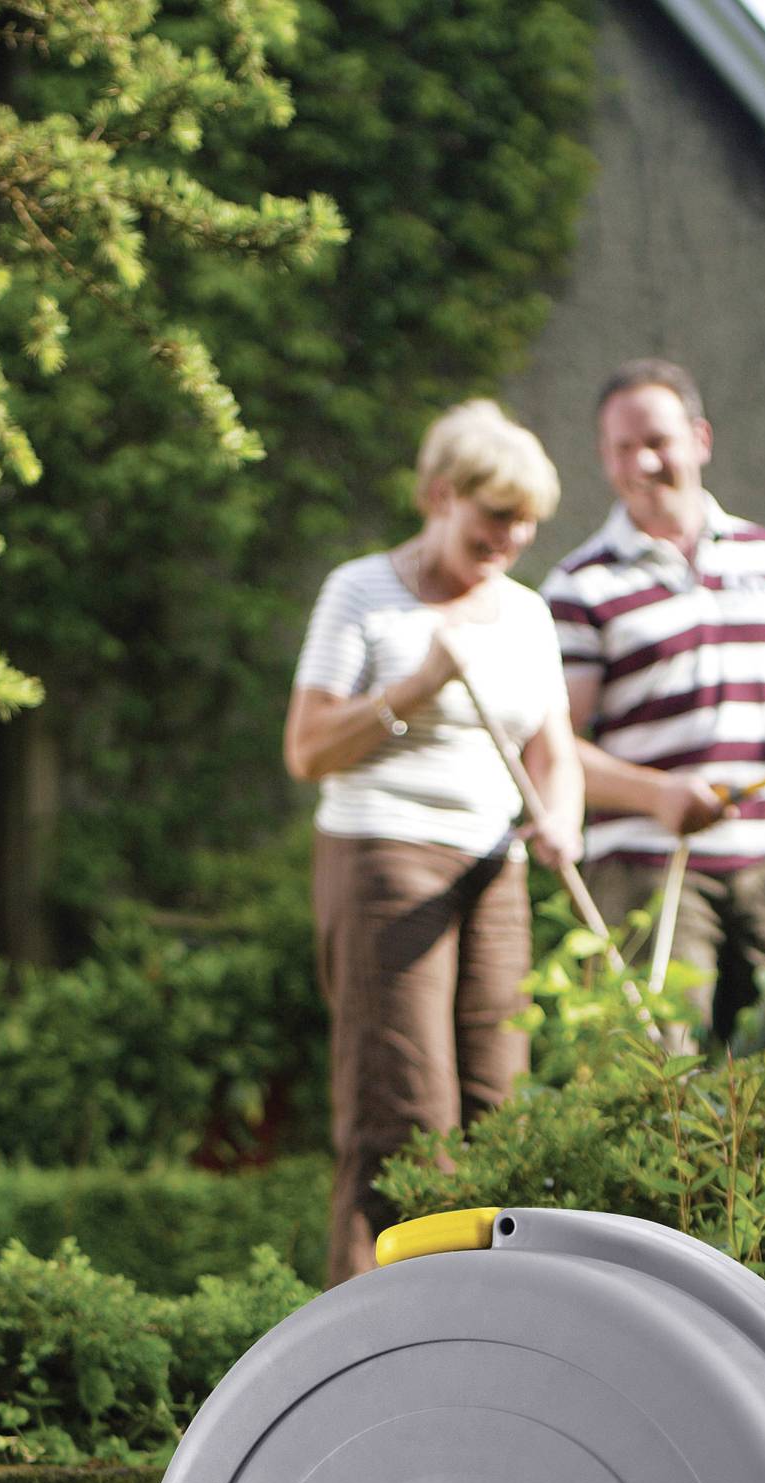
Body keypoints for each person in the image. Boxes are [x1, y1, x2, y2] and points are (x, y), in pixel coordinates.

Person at [285, 400, 581, 1283]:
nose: (513, 536)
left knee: (501, 1112)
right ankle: (371, 1336)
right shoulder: (361, 590)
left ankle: (483, 1328)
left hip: (495, 867)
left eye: (527, 521)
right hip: (383, 856)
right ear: (438, 495)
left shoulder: (527, 615)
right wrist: (414, 687)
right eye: (496, 515)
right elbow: (305, 749)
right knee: (403, 1118)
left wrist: (561, 817)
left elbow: (554, 752)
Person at [542, 360, 765, 1068]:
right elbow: (552, 747)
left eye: (657, 440)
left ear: (701, 438)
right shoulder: (580, 584)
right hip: (648, 870)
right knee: (657, 1077)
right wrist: (659, 796)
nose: (641, 463)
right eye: (621, 448)